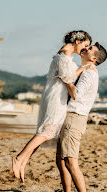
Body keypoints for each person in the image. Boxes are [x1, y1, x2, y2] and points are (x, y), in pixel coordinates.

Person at [12, 30, 94, 182]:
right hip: (56, 98)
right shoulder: (64, 55)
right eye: (85, 45)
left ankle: (23, 161)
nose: (85, 49)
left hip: (57, 96)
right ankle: (19, 158)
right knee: (46, 132)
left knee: (45, 132)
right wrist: (85, 68)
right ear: (77, 41)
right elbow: (67, 77)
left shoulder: (64, 55)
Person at [56, 42, 107, 192]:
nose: (86, 47)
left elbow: (76, 94)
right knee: (61, 160)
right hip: (68, 116)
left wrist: (65, 80)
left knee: (71, 161)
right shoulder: (83, 70)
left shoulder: (89, 74)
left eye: (90, 48)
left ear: (93, 58)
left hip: (74, 117)